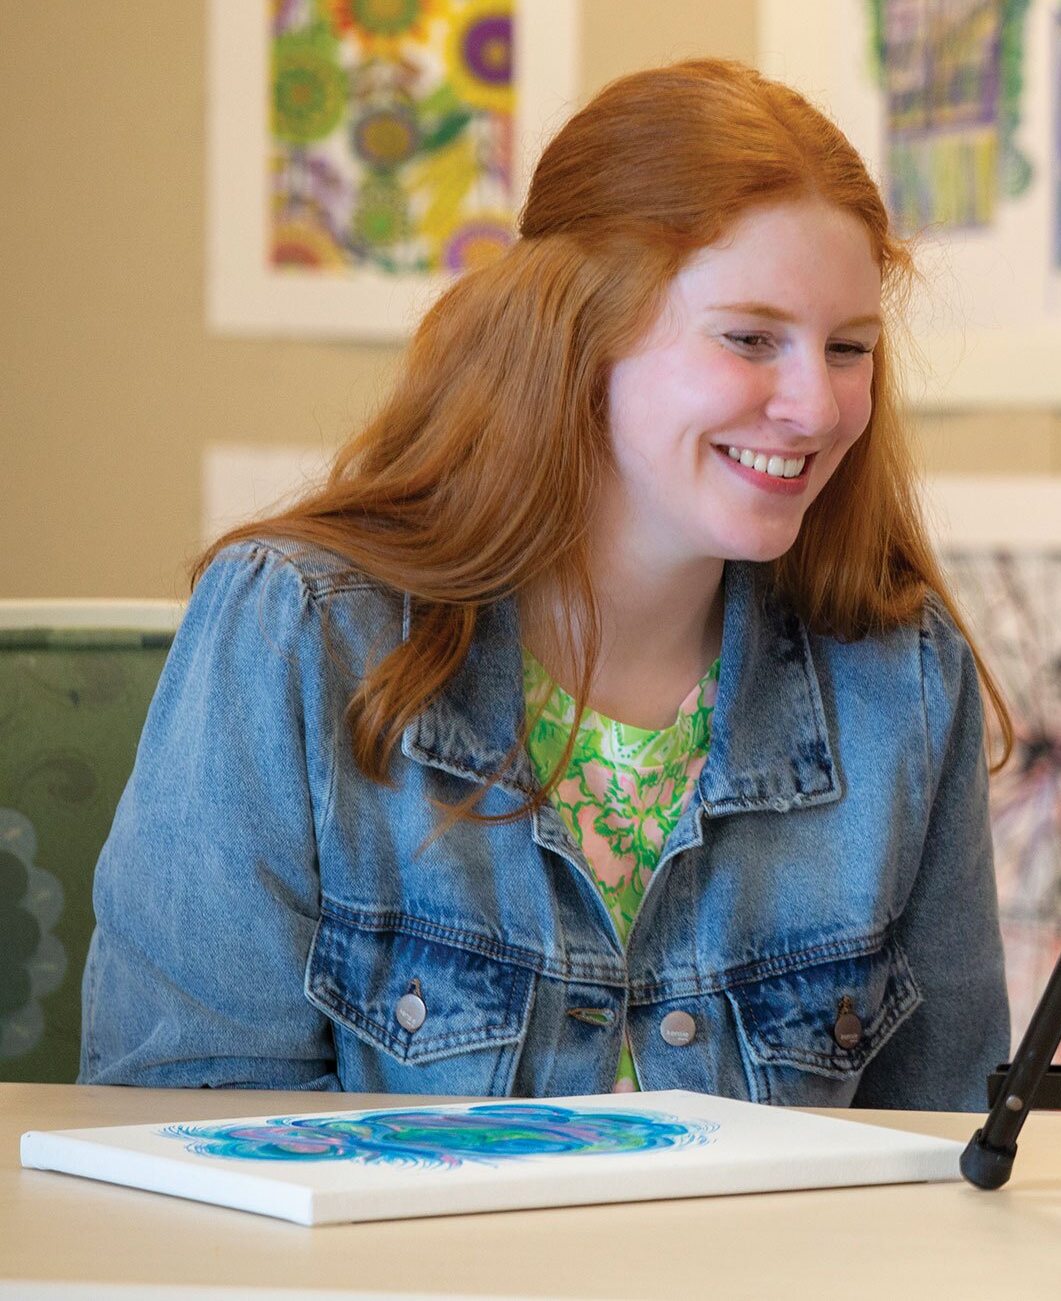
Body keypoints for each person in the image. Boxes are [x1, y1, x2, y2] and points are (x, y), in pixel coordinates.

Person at [82, 59, 1010, 1108]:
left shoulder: (905, 678)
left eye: (848, 349)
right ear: (576, 329)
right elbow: (179, 1128)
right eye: (751, 338)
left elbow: (945, 1144)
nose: (818, 406)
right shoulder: (294, 630)